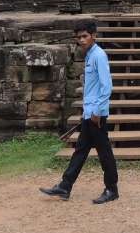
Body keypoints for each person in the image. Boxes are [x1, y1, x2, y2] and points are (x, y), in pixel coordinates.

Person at [40, 21, 119, 204]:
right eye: (79, 37)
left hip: (96, 115)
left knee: (104, 152)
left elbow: (106, 86)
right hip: (89, 113)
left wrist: (98, 112)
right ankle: (65, 186)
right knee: (80, 150)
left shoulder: (99, 55)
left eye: (85, 36)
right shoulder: (90, 55)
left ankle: (112, 188)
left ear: (94, 36)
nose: (81, 40)